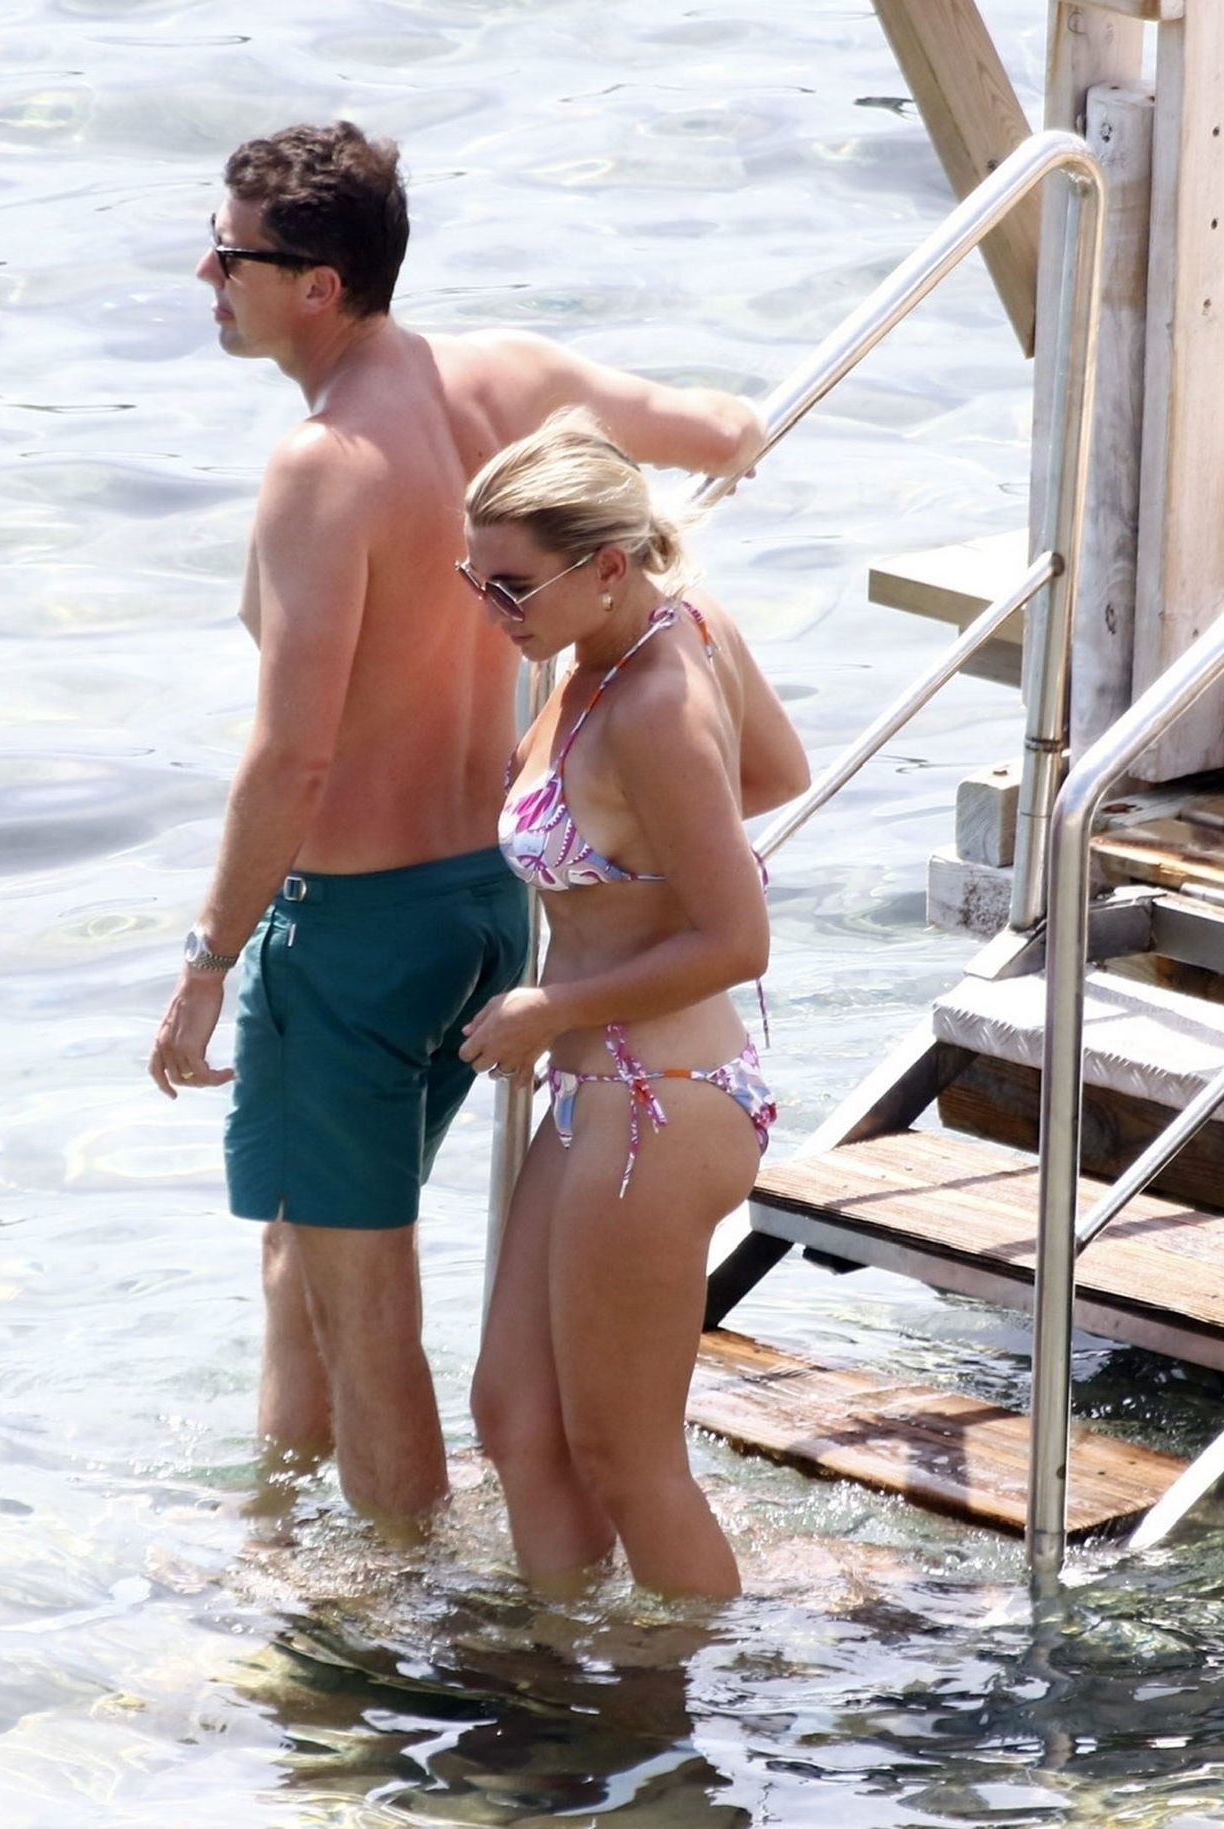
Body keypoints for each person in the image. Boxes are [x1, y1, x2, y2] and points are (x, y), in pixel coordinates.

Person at [146, 121, 764, 1531]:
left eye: (231, 256)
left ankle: (396, 1611)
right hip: (488, 903)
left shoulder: (323, 465)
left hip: (356, 927)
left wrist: (206, 962)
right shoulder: (513, 381)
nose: (207, 275)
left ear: (318, 285)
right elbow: (726, 431)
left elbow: (293, 754)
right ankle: (277, 1536)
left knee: (364, 1296)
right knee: (307, 1247)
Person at [457, 411, 809, 1600]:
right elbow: (777, 771)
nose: (490, 609)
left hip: (662, 1094)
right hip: (599, 1088)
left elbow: (738, 939)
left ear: (607, 564)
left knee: (624, 1454)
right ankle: (568, 1658)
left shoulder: (657, 697)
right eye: (474, 576)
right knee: (514, 1415)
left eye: (511, 585)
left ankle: (690, 1682)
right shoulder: (645, 631)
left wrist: (552, 1003)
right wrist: (657, 841)